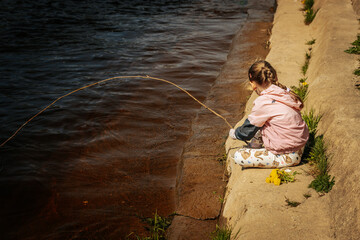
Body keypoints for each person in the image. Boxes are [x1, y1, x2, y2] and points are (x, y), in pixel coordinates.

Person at [229, 60, 309, 168]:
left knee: (238, 156)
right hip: (300, 146)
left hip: (288, 156)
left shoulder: (263, 102)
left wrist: (235, 134)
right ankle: (256, 146)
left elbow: (247, 131)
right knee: (263, 123)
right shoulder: (284, 92)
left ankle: (259, 150)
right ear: (275, 76)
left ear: (253, 84)